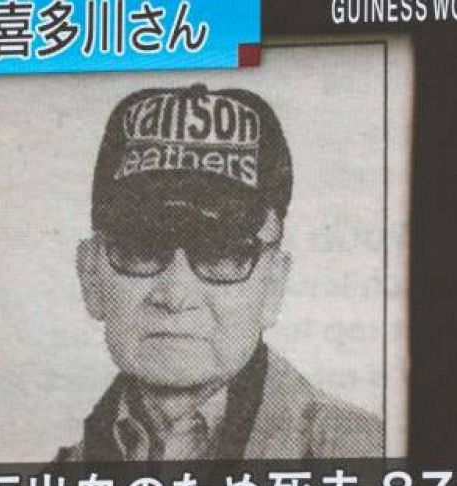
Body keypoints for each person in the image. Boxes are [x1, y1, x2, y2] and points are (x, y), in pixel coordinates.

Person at [60, 82, 384, 462]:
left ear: (274, 285)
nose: (175, 295)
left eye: (222, 253)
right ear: (91, 275)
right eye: (141, 248)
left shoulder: (370, 458)